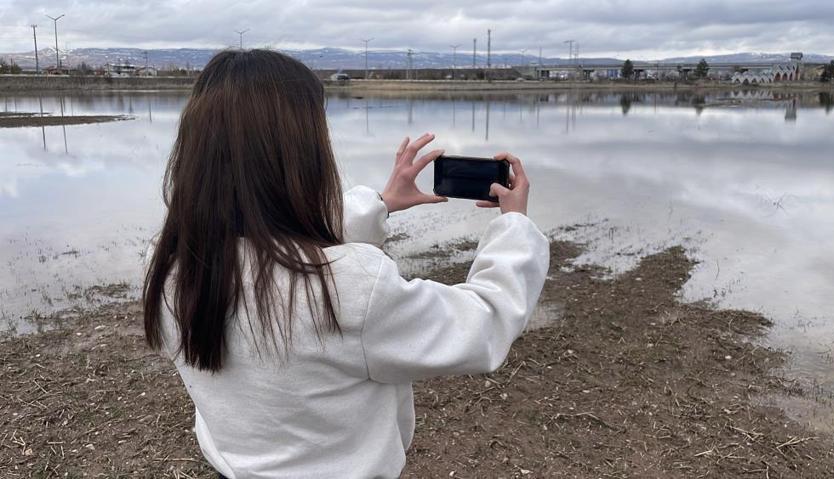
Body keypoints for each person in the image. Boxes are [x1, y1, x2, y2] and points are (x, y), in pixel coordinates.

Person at [143, 49, 549, 479]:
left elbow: (274, 240)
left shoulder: (173, 262)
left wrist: (380, 203)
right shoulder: (348, 287)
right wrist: (515, 227)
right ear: (302, 152)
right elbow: (482, 324)